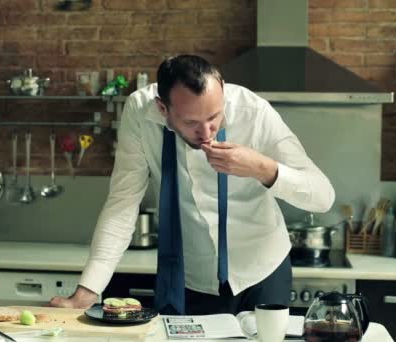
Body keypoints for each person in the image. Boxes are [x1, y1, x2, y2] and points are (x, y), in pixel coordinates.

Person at [49, 55, 335, 315]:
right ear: (163, 108)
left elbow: (323, 196)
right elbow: (122, 204)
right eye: (191, 122)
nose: (206, 131)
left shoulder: (254, 112)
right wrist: (88, 290)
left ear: (222, 89)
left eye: (214, 117)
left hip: (262, 271)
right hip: (189, 280)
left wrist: (261, 168)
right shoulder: (139, 113)